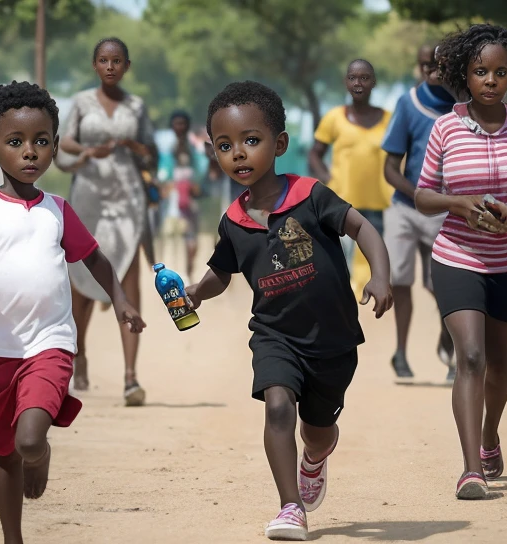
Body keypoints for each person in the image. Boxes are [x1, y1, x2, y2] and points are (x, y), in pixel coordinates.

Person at [0, 81, 146, 543]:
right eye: (15, 142)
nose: (30, 152)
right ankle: (13, 538)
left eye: (41, 142)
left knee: (26, 441)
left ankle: (38, 454)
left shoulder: (58, 211)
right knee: (4, 454)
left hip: (50, 344)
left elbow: (95, 258)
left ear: (56, 147)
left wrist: (120, 298)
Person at [186, 81, 392, 540]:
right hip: (275, 334)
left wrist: (379, 275)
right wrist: (197, 292)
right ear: (213, 153)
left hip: (334, 341)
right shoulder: (232, 222)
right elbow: (222, 272)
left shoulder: (311, 195)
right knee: (277, 406)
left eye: (251, 141)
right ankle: (290, 507)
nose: (238, 153)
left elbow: (363, 230)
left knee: (315, 432)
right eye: (225, 146)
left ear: (279, 144)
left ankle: (315, 457)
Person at [415, 24, 507, 499]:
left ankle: (491, 434)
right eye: (481, 71)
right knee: (471, 357)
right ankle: (471, 467)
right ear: (465, 75)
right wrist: (460, 203)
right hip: (457, 258)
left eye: (500, 72)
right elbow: (422, 197)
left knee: (502, 365)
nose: (490, 80)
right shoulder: (445, 128)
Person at [58, 37, 157, 403]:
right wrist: (87, 150)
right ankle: (78, 354)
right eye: (104, 60)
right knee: (81, 279)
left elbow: (151, 154)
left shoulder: (137, 105)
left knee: (129, 280)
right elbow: (64, 142)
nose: (111, 66)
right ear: (95, 64)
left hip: (127, 201)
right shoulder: (82, 102)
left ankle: (130, 377)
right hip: (88, 199)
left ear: (126, 66)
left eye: (117, 61)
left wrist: (137, 149)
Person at [381, 43, 457, 381]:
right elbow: (390, 168)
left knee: (441, 284)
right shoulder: (408, 104)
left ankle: (450, 344)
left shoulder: (464, 108)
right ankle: (400, 352)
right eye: (426, 65)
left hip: (446, 212)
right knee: (399, 279)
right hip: (404, 207)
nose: (432, 71)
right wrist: (420, 195)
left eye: (438, 65)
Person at [309, 59, 392, 292]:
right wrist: (327, 179)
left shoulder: (389, 119)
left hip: (376, 203)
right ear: (346, 82)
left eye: (364, 78)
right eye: (353, 78)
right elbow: (315, 154)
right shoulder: (334, 117)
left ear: (373, 82)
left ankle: (366, 315)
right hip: (341, 202)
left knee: (370, 261)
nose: (358, 83)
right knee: (340, 261)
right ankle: (340, 303)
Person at [159, 110, 205, 282]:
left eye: (183, 123)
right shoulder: (166, 148)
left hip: (190, 200)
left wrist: (195, 185)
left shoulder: (194, 148)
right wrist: (167, 185)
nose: (180, 126)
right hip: (172, 200)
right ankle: (172, 276)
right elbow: (163, 173)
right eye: (176, 123)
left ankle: (189, 269)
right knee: (171, 237)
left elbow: (201, 171)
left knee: (192, 241)